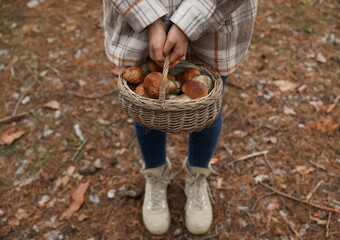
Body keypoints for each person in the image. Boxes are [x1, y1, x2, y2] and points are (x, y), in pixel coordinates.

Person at [103, 0, 258, 235]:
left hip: (216, 18)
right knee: (148, 109)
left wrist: (188, 24)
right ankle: (155, 174)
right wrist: (151, 20)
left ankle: (197, 175)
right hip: (139, 23)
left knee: (207, 109)